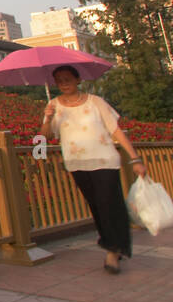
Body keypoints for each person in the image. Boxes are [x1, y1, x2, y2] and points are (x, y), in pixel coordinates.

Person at [40, 65, 146, 274]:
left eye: (68, 79)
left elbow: (116, 131)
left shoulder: (96, 102)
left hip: (105, 160)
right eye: (59, 80)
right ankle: (114, 244)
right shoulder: (53, 106)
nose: (64, 83)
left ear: (78, 79)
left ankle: (112, 251)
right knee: (97, 206)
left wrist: (135, 159)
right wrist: (49, 117)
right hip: (77, 163)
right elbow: (46, 136)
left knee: (109, 204)